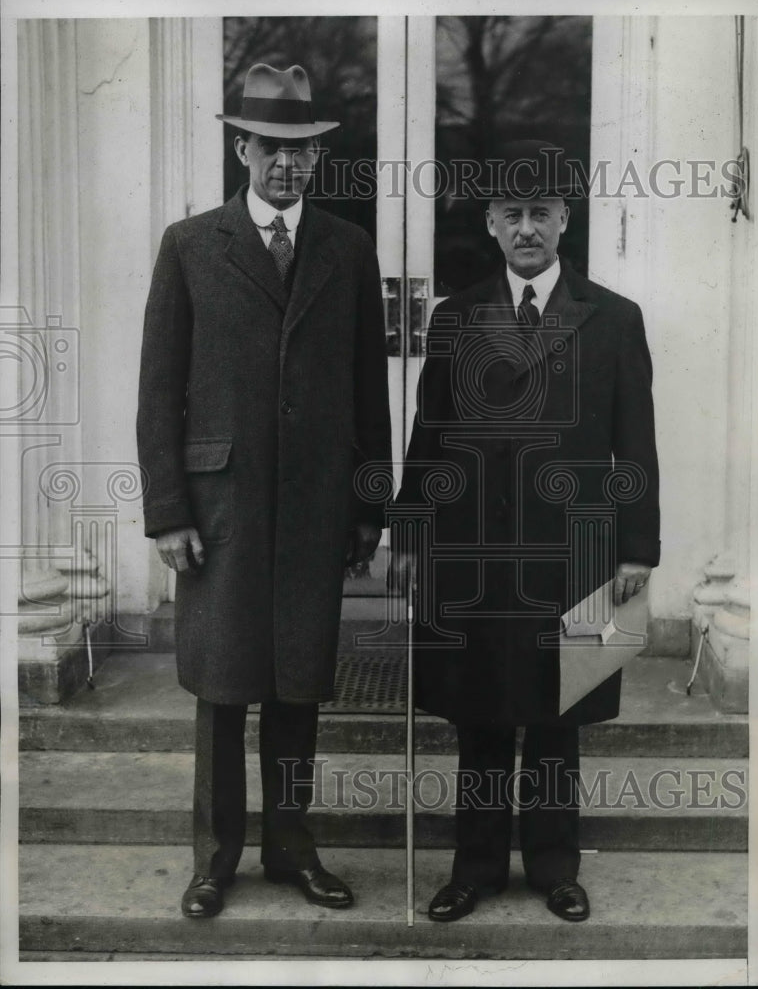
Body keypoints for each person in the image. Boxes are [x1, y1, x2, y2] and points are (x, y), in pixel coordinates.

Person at [137, 63, 391, 918]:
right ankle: (213, 861)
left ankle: (291, 850)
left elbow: (369, 391)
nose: (286, 165)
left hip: (317, 505)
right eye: (270, 147)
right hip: (221, 511)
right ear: (241, 147)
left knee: (295, 684)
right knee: (220, 687)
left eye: (302, 151)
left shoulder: (349, 250)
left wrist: (368, 504)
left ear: (318, 160)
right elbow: (158, 389)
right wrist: (168, 511)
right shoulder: (189, 244)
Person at [389, 140, 660, 923]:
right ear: (491, 224)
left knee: (557, 714)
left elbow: (634, 444)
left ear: (564, 220)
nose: (528, 228)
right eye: (513, 214)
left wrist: (638, 547)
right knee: (480, 713)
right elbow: (428, 436)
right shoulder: (456, 317)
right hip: (474, 549)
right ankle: (473, 869)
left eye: (542, 212)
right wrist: (408, 534)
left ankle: (553, 867)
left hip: (573, 553)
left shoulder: (613, 318)